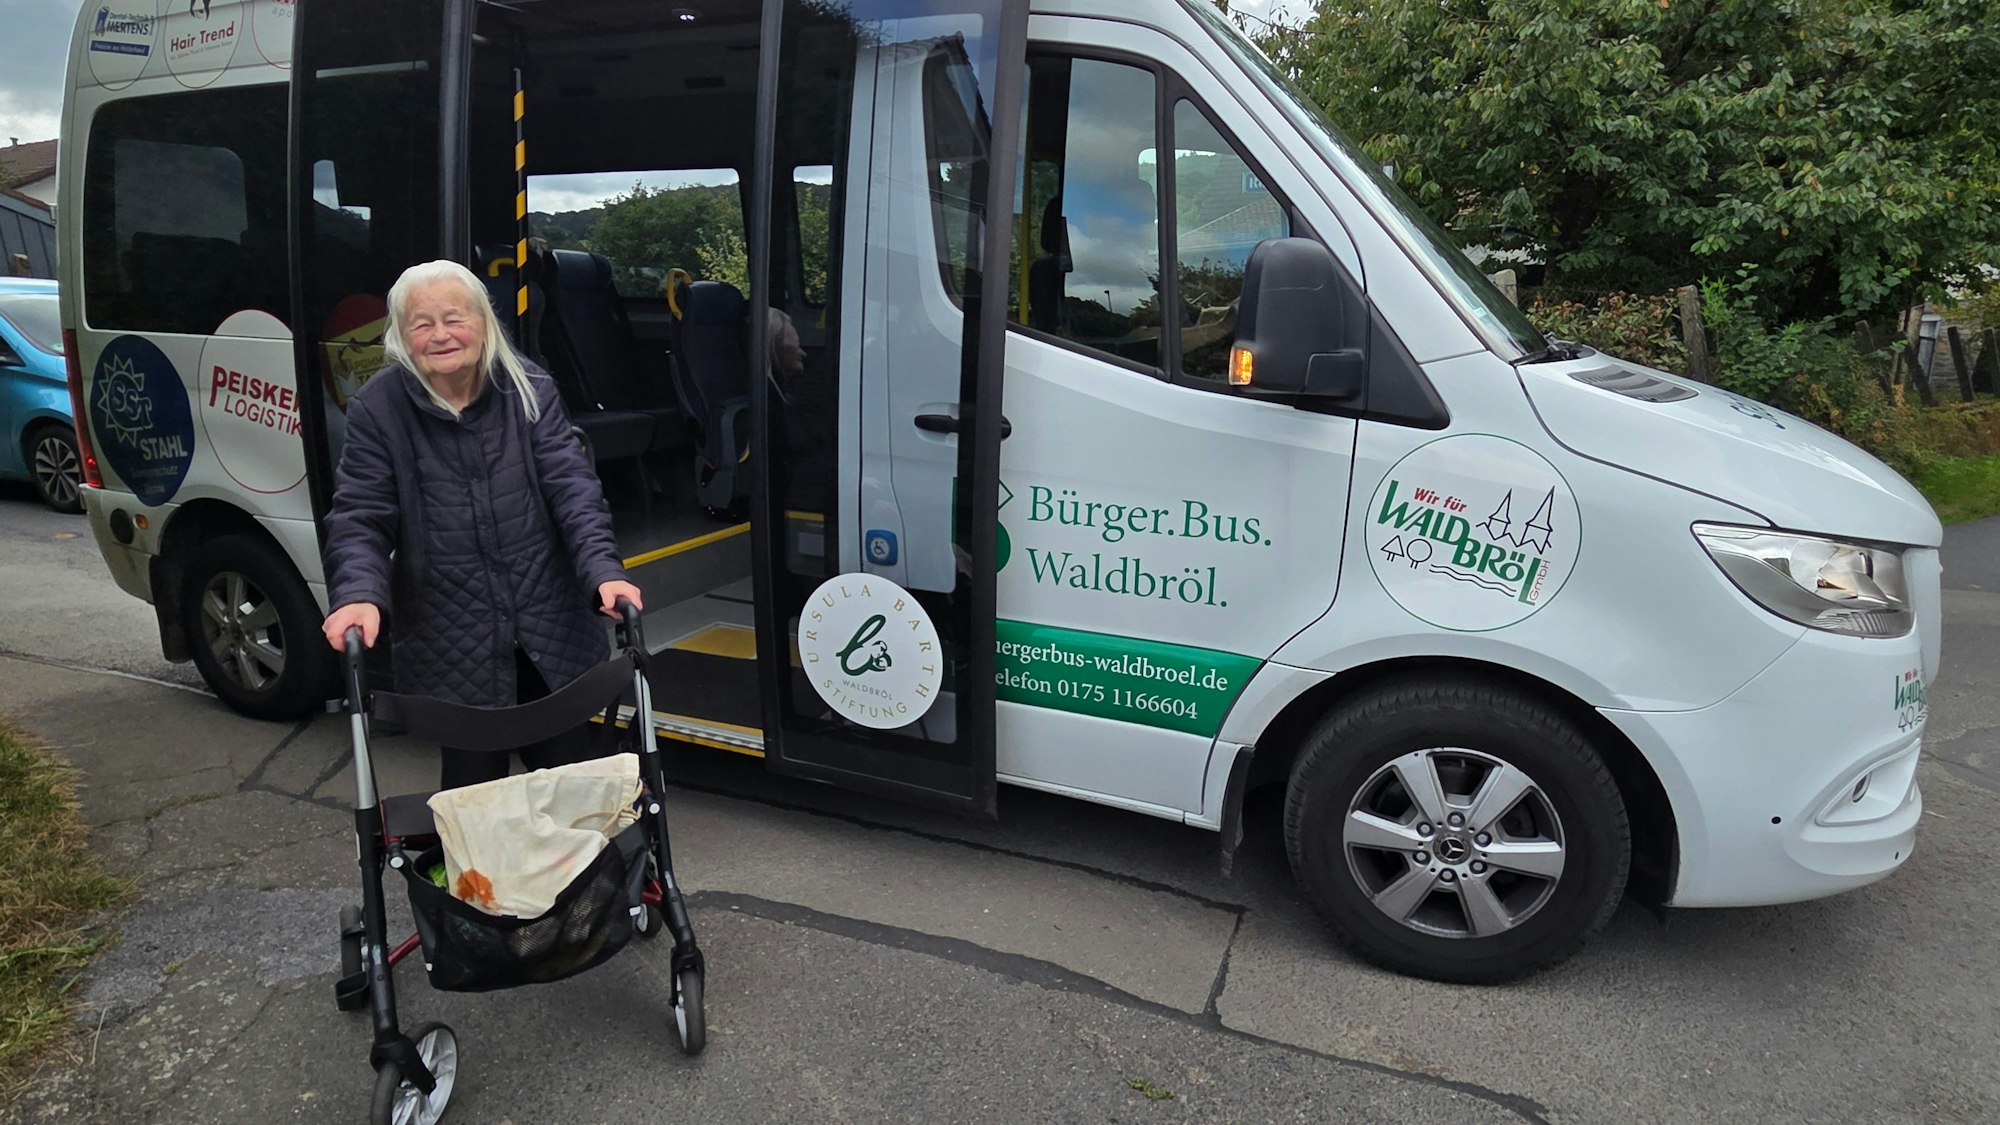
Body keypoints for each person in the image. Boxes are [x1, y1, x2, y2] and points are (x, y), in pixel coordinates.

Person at [320, 259, 643, 790]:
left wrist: (604, 571)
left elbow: (573, 491)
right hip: (451, 637)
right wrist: (357, 592)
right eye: (422, 324)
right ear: (402, 337)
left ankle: (587, 876)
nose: (441, 334)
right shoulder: (379, 409)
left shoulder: (529, 388)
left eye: (455, 317)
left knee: (574, 789)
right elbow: (360, 515)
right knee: (475, 802)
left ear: (484, 322)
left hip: (548, 626)